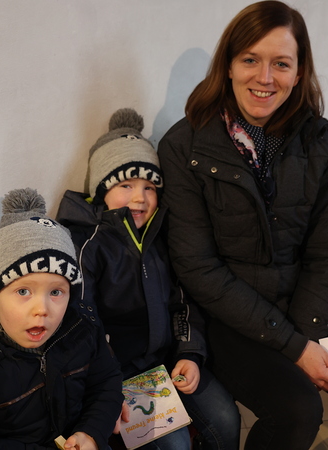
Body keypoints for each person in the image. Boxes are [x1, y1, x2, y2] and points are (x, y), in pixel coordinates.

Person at [157, 2, 328, 450]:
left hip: (300, 304)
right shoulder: (184, 146)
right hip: (225, 317)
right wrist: (296, 348)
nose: (265, 78)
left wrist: (306, 334)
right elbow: (198, 269)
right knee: (298, 411)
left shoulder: (318, 138)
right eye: (250, 59)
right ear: (228, 65)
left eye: (281, 64)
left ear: (299, 73)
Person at [57, 108, 240, 450]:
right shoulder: (86, 246)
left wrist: (190, 352)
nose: (139, 197)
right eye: (125, 185)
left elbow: (184, 301)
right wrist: (105, 391)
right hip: (117, 373)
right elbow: (83, 325)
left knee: (227, 420)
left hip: (167, 360)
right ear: (100, 189)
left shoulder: (162, 235)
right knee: (175, 446)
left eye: (150, 187)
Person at [0, 188, 124, 450]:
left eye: (56, 292)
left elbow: (106, 381)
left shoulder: (82, 325)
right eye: (23, 291)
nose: (42, 309)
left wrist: (92, 432)